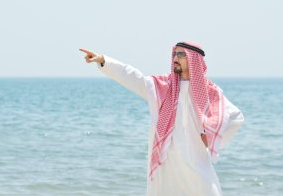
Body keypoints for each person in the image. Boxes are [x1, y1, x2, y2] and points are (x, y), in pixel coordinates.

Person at [79, 42, 244, 196]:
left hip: (197, 163)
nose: (175, 58)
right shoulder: (163, 87)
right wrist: (104, 61)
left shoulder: (210, 92)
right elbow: (133, 77)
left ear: (194, 60)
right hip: (166, 163)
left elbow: (236, 117)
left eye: (181, 55)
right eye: (174, 54)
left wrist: (212, 140)